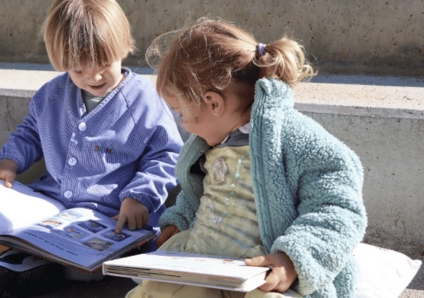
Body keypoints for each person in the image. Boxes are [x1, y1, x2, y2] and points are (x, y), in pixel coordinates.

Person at [0, 0, 182, 298]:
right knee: (9, 223)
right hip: (53, 203)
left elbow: (167, 154)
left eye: (104, 64)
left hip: (111, 215)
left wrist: (140, 197)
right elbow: (33, 130)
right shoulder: (53, 94)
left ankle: (18, 264)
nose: (94, 77)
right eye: (78, 69)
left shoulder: (144, 100)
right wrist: (9, 162)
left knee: (89, 265)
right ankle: (9, 252)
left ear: (124, 47)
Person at [126, 18, 367, 297]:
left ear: (213, 103)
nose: (182, 124)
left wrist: (292, 260)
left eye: (180, 113)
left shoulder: (294, 139)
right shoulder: (209, 144)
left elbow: (338, 210)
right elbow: (196, 196)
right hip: (204, 261)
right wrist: (179, 220)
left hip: (259, 272)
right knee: (156, 289)